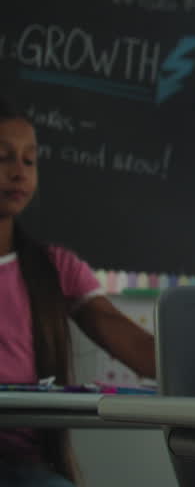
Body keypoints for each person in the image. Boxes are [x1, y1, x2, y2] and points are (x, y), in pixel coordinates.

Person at [0, 100, 156, 487]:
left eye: (30, 160)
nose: (18, 171)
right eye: (2, 157)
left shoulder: (54, 267)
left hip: (24, 462)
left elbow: (138, 349)